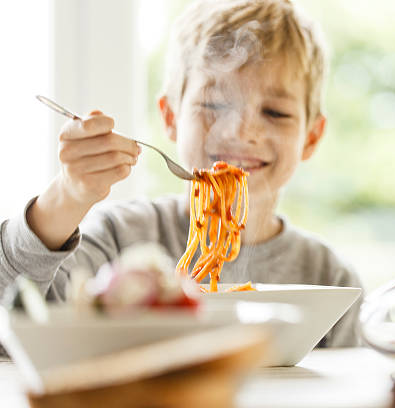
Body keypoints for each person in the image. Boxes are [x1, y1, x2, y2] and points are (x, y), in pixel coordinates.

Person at [0, 0, 363, 347]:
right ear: (171, 117)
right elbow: (12, 324)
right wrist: (66, 197)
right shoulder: (118, 238)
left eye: (275, 113)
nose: (240, 131)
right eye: (215, 105)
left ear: (311, 137)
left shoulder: (328, 277)